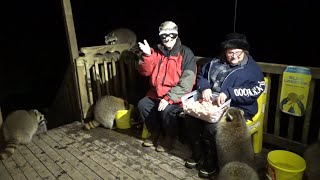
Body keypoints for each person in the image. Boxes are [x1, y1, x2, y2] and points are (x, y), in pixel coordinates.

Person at [184, 32, 265, 178]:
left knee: (211, 127)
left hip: (237, 108)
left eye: (238, 53)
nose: (234, 56)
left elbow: (256, 90)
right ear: (224, 51)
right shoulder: (215, 62)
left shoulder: (252, 69)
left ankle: (211, 161)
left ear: (244, 51)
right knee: (190, 118)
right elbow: (202, 76)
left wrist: (229, 93)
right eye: (230, 53)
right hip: (211, 104)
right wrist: (205, 88)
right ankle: (197, 154)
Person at [136, 21, 197, 152]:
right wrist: (147, 55)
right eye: (164, 35)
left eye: (172, 35)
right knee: (143, 105)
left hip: (176, 97)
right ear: (160, 36)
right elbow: (144, 72)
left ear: (177, 35)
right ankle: (155, 132)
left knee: (167, 111)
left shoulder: (186, 54)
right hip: (156, 93)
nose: (168, 38)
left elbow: (187, 83)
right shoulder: (156, 51)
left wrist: (169, 98)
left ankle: (169, 137)